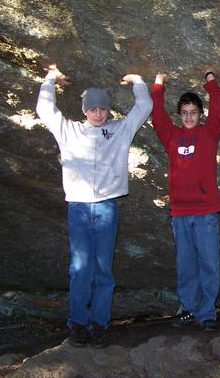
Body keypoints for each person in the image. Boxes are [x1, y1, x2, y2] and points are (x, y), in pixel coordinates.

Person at [36, 65, 152, 347]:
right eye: (93, 109)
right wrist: (51, 78)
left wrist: (137, 81)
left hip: (106, 208)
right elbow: (44, 110)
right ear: (84, 110)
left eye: (103, 109)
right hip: (78, 207)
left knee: (103, 270)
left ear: (108, 110)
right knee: (79, 268)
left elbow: (144, 106)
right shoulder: (70, 131)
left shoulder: (119, 130)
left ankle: (100, 324)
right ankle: (78, 324)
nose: (98, 114)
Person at [151, 67, 220, 332]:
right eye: (185, 113)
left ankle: (207, 313)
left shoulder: (209, 133)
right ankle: (189, 309)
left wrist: (210, 80)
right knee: (185, 265)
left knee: (208, 263)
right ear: (179, 115)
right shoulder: (172, 136)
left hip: (205, 212)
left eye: (194, 112)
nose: (189, 117)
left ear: (200, 114)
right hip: (180, 213)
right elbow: (157, 118)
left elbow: (218, 109)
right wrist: (159, 84)